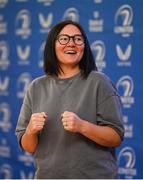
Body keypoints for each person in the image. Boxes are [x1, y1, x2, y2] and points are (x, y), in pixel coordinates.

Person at [15, 20, 124, 179]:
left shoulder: (99, 82)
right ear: (52, 45)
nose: (71, 43)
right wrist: (31, 130)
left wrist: (82, 126)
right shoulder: (36, 87)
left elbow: (115, 137)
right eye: (64, 39)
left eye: (78, 39)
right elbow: (29, 147)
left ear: (84, 46)